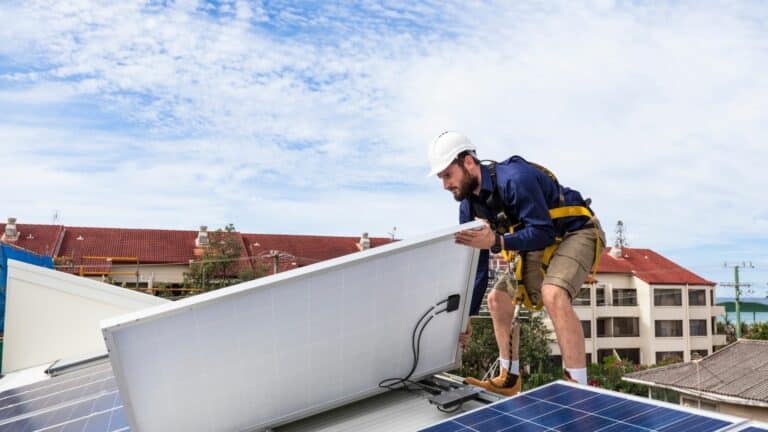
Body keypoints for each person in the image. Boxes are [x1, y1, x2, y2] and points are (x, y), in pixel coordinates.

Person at [427, 131, 605, 396]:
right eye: (440, 178)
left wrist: (497, 241)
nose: (444, 185)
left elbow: (542, 231)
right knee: (497, 299)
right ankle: (509, 378)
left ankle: (578, 389)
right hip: (537, 244)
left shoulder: (515, 180)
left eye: (447, 175)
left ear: (467, 162)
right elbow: (477, 263)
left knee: (553, 293)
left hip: (574, 232)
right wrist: (467, 316)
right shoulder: (468, 205)